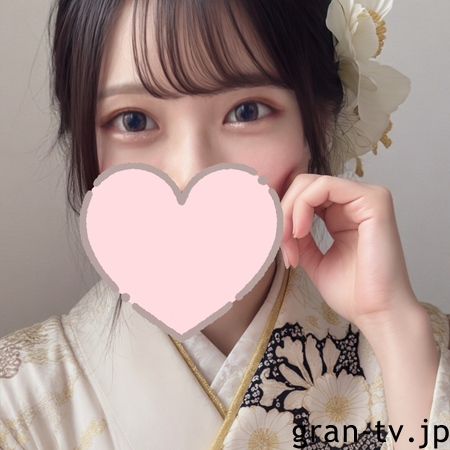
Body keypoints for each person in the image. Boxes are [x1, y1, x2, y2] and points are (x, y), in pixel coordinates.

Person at [0, 0, 449, 449]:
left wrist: (395, 331)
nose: (191, 173)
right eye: (133, 121)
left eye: (247, 111)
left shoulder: (418, 353)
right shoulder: (16, 396)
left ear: (320, 121)